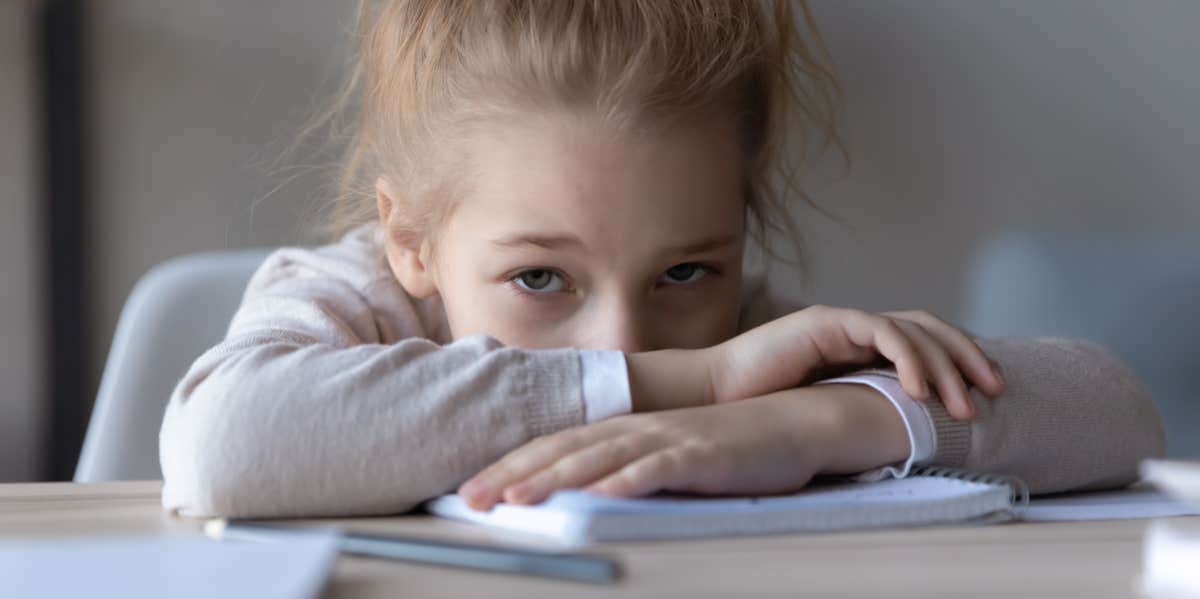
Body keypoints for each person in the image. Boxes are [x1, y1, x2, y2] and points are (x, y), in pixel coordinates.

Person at [159, 0, 1164, 518]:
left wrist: (810, 419)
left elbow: (1113, 407)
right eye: (540, 277)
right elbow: (226, 445)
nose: (624, 334)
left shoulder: (754, 339)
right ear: (411, 239)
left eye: (686, 271)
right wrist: (705, 378)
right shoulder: (351, 305)